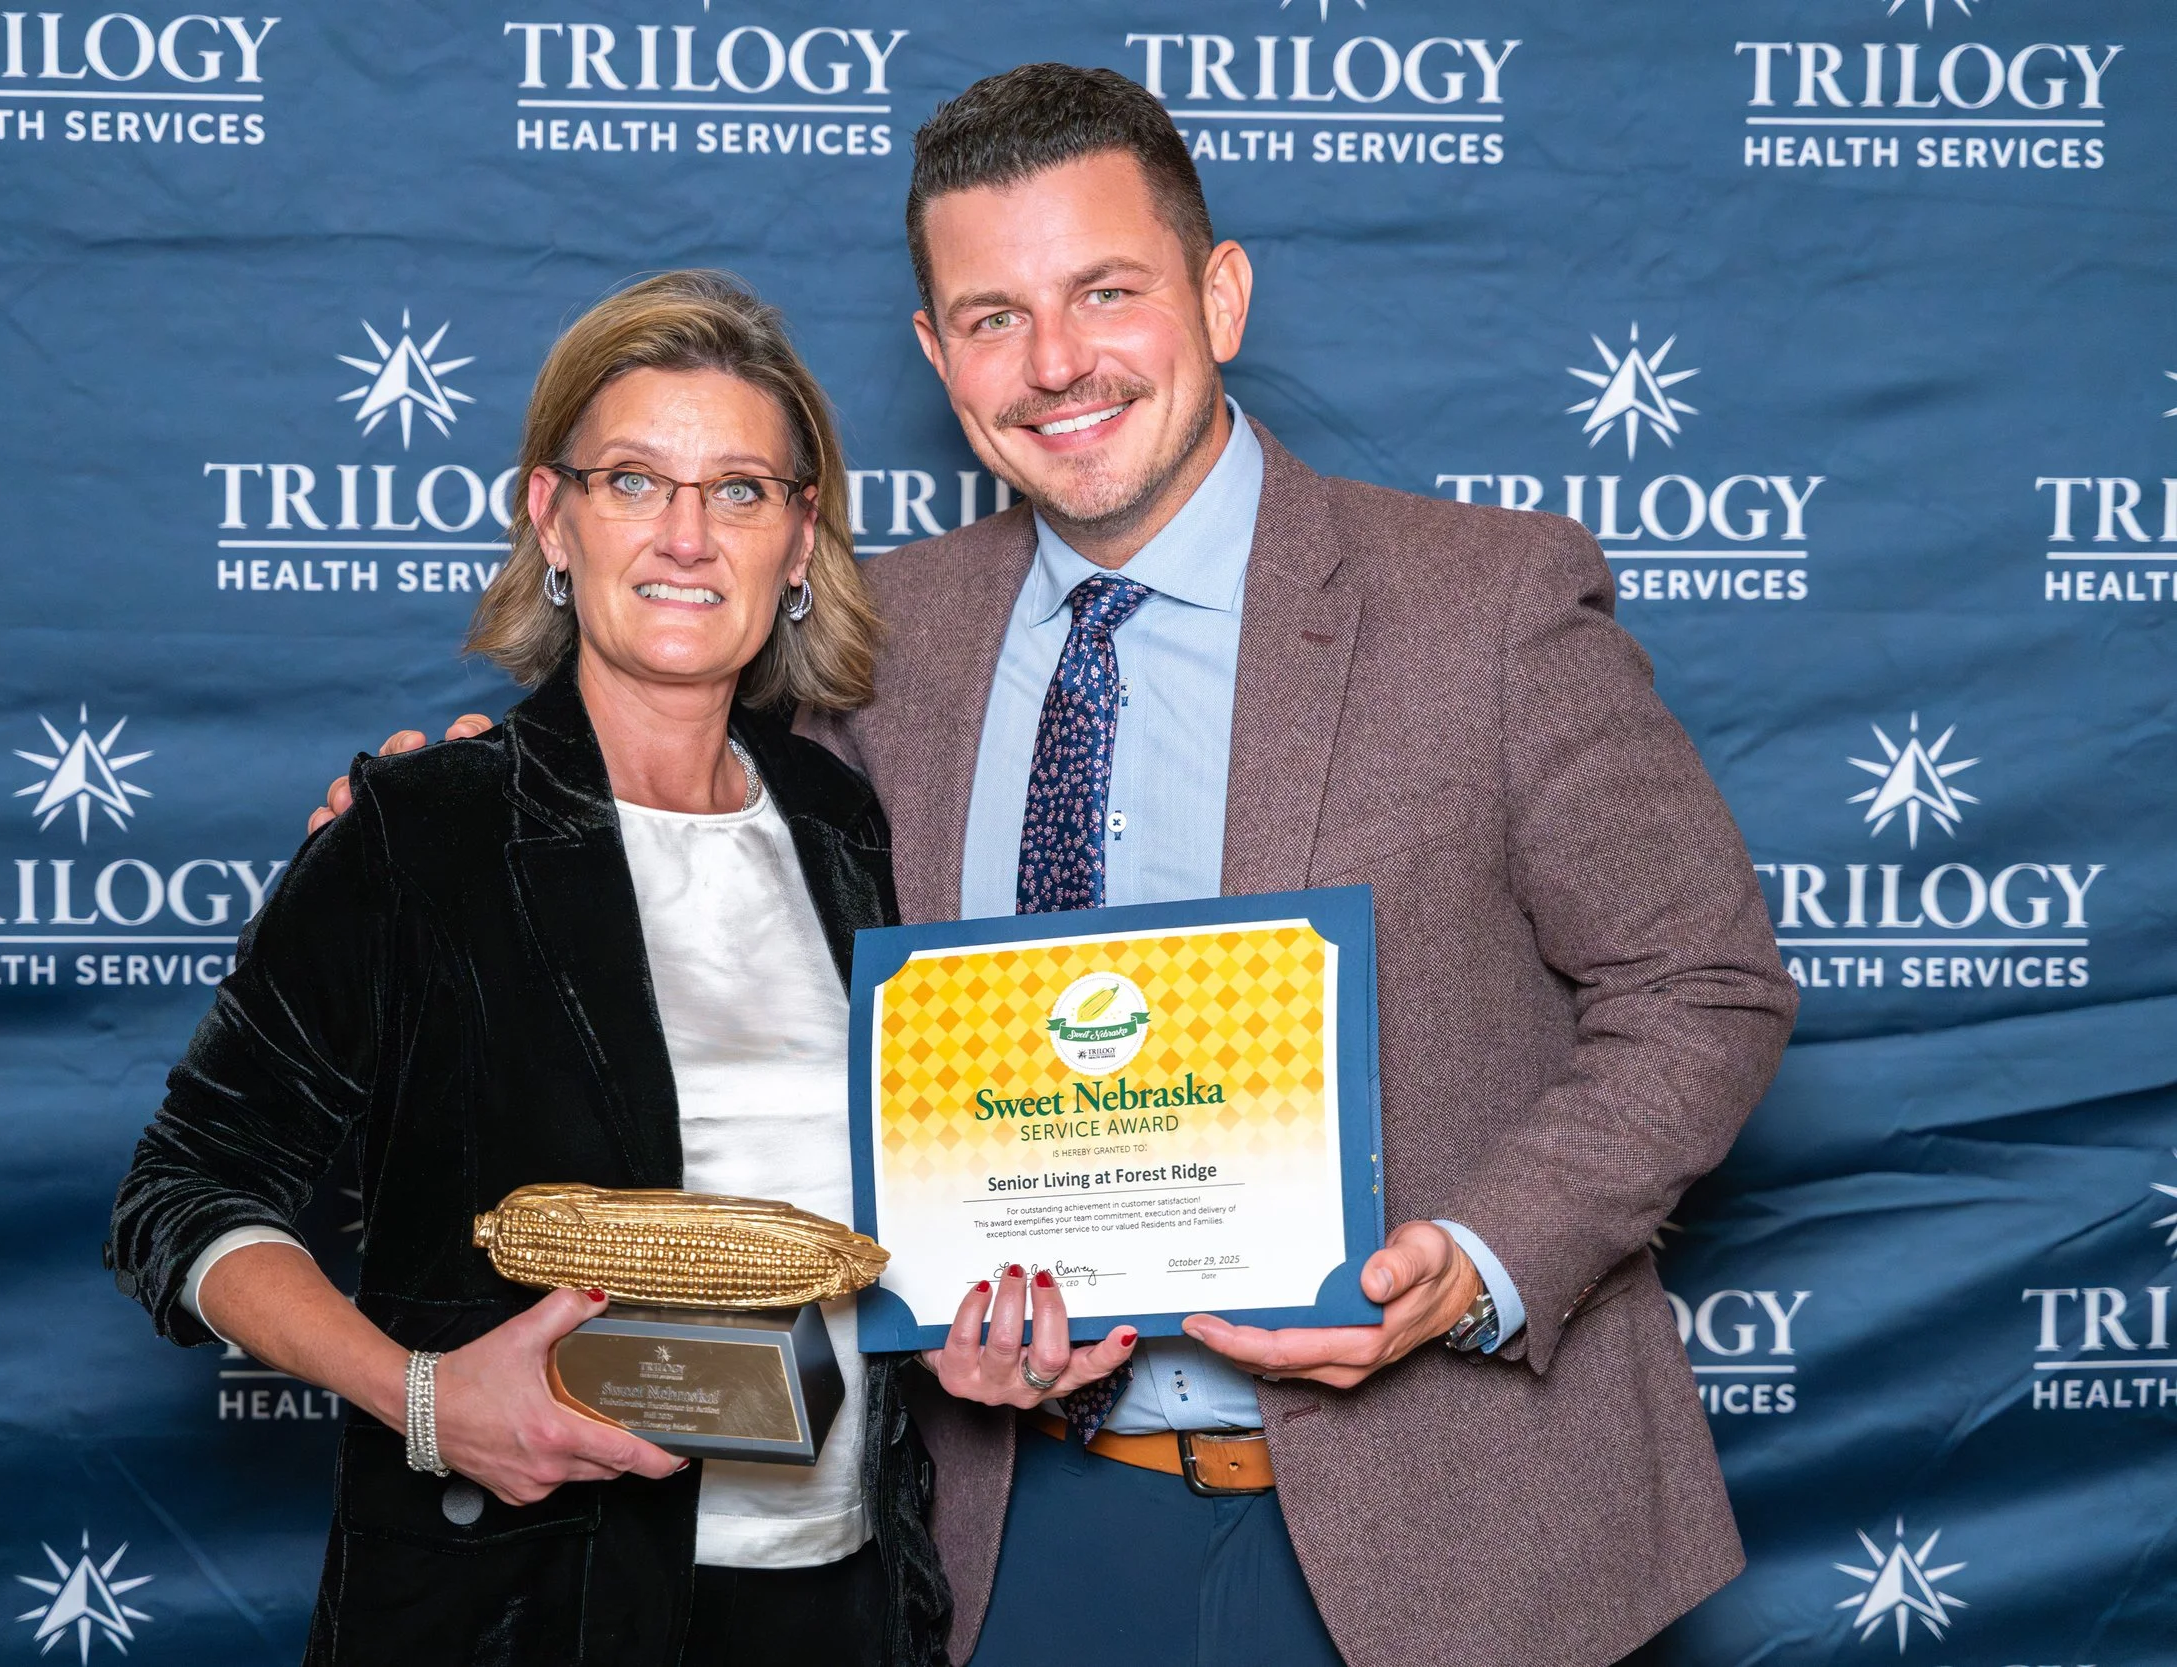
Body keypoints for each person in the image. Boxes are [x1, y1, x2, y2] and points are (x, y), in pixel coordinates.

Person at [323, 66, 1799, 1667]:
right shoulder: (886, 643)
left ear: (1219, 294)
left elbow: (1701, 986)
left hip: (1441, 1524)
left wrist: (1472, 1265)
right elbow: (658, 767)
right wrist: (440, 811)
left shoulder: (1484, 601)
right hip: (1022, 1524)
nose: (1057, 365)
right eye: (992, 316)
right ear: (935, 356)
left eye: (1106, 292)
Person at [107, 270, 953, 1666]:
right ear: (550, 516)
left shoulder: (839, 821)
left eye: (740, 490)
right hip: (518, 1606)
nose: (687, 534)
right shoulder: (419, 831)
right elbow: (178, 1197)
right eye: (635, 479)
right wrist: (427, 1395)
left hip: (836, 1594)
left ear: (800, 542)